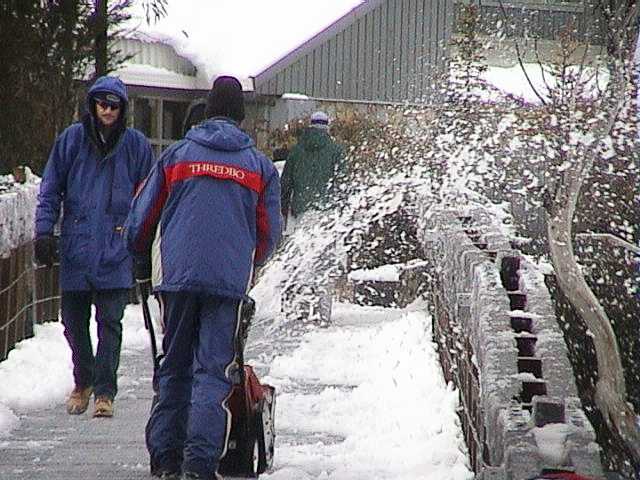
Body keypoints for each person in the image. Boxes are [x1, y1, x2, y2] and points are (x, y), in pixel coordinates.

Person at [124, 75, 282, 480]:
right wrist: (246, 264)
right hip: (226, 286)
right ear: (241, 117)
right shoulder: (259, 166)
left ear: (208, 111)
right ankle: (199, 464)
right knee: (212, 372)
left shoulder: (177, 156)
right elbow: (269, 234)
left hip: (176, 280)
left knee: (173, 367)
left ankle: (165, 461)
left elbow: (141, 217)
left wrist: (140, 259)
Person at [33, 75, 154, 418]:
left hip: (116, 248)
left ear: (123, 109)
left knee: (110, 323)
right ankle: (82, 379)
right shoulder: (71, 141)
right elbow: (50, 189)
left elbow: (148, 198)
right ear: (92, 105)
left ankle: (105, 391)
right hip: (77, 246)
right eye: (102, 103)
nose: (107, 110)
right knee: (72, 322)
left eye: (114, 105)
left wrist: (141, 240)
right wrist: (44, 232)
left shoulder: (136, 146)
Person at [280, 110, 344, 226]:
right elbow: (341, 183)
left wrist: (282, 212)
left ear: (310, 125)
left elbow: (285, 184)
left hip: (301, 211)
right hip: (326, 211)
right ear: (327, 127)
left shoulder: (296, 151)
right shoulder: (336, 151)